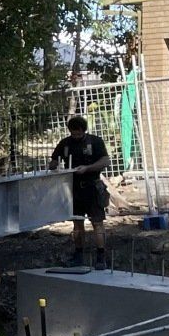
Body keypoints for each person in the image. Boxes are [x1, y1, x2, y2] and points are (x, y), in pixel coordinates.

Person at [50, 114, 110, 266]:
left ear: (84, 130)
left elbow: (105, 161)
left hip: (92, 187)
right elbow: (54, 159)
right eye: (73, 132)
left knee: (97, 222)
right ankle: (78, 255)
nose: (76, 136)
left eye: (78, 133)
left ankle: (101, 256)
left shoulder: (94, 142)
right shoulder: (65, 143)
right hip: (73, 189)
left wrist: (87, 168)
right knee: (77, 223)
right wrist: (54, 165)